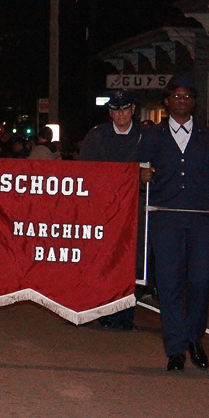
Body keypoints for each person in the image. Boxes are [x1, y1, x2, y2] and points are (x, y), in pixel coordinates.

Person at [138, 73, 209, 372]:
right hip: (165, 219)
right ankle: (176, 348)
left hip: (202, 221)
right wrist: (141, 176)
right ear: (166, 102)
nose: (182, 101)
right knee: (169, 283)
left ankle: (194, 337)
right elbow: (136, 171)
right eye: (176, 96)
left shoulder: (208, 137)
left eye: (188, 96)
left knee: (202, 281)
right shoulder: (152, 135)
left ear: (194, 101)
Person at [79, 89, 142, 330]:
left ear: (133, 110)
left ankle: (126, 315)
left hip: (134, 209)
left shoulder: (144, 135)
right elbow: (86, 173)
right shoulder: (97, 137)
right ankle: (105, 311)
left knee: (129, 262)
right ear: (110, 112)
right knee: (105, 260)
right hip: (104, 209)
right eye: (116, 110)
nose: (121, 114)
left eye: (125, 109)